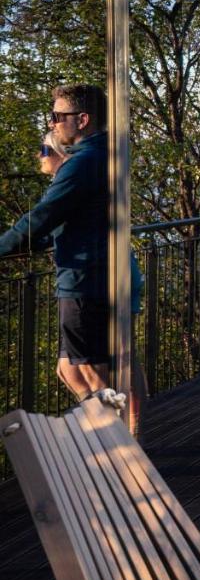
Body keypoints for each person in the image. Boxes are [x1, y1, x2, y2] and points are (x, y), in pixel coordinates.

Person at [0, 85, 117, 407]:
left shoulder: (84, 162)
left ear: (82, 119)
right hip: (88, 273)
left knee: (95, 376)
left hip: (83, 278)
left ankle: (117, 450)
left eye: (56, 116)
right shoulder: (100, 155)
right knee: (72, 370)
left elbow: (43, 215)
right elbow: (68, 217)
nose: (51, 123)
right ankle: (103, 437)